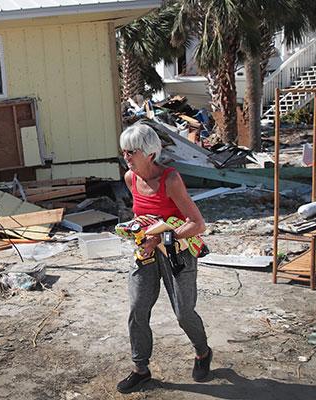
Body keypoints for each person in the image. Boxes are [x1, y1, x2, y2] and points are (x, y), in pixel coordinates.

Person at [116, 123, 212, 394]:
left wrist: (161, 238)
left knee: (183, 313)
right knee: (137, 308)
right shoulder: (129, 178)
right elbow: (142, 216)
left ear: (149, 154)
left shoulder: (170, 180)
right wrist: (137, 234)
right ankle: (140, 369)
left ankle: (203, 353)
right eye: (123, 152)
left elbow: (197, 224)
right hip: (147, 252)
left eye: (131, 152)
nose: (126, 158)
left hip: (177, 253)